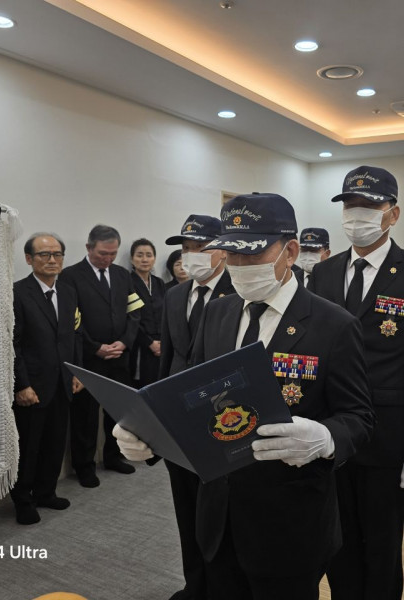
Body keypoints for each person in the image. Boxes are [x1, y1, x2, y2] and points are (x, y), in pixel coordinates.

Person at [115, 193, 374, 600]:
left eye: (251, 254)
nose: (238, 265)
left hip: (289, 520)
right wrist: (149, 435)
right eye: (231, 254)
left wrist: (325, 439)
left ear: (290, 252)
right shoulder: (218, 313)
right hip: (220, 517)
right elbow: (192, 397)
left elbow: (358, 417)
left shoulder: (333, 325)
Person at [309, 166, 404, 600]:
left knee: (382, 545)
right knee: (337, 540)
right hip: (330, 432)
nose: (358, 215)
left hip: (388, 437)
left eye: (369, 206)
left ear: (393, 214)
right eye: (350, 206)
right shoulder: (324, 273)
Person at [157, 214, 235, 600]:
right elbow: (168, 358)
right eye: (186, 248)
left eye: (200, 247)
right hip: (179, 421)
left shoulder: (238, 294)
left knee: (218, 516)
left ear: (222, 250)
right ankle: (194, 585)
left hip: (222, 418)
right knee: (186, 508)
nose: (191, 256)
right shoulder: (175, 295)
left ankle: (220, 587)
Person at [59, 225, 143, 488]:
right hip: (88, 359)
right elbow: (70, 320)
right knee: (85, 415)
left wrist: (124, 342)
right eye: (102, 254)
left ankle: (113, 456)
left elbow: (135, 312)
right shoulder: (70, 276)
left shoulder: (122, 275)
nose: (108, 258)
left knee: (118, 411)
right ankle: (84, 465)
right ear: (89, 248)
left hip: (119, 356)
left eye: (113, 253)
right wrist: (95, 347)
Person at [12, 233, 82, 524]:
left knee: (55, 442)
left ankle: (46, 492)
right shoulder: (17, 293)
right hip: (33, 386)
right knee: (29, 447)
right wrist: (21, 385)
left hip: (62, 383)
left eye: (57, 254)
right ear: (29, 259)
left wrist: (76, 372)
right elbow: (13, 344)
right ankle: (23, 500)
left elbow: (73, 335)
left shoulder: (68, 291)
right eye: (44, 254)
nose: (52, 260)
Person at [128, 238, 166, 389]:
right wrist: (149, 343)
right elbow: (129, 318)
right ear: (132, 259)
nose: (144, 259)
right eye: (139, 255)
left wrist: (164, 342)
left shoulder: (159, 283)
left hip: (161, 344)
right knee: (142, 386)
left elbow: (166, 315)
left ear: (154, 258)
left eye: (149, 255)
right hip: (139, 344)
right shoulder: (127, 282)